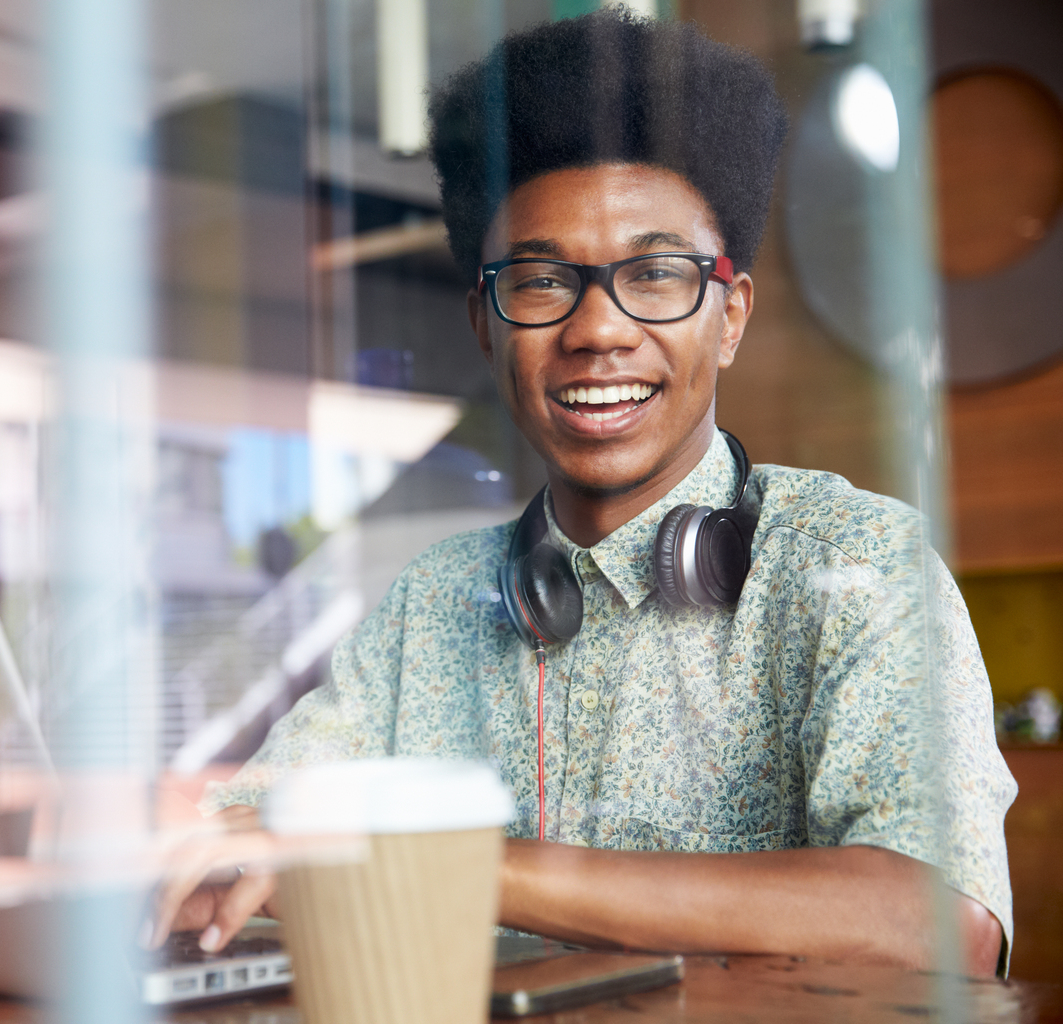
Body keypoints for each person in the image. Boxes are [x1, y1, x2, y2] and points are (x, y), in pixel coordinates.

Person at [148, 9, 1015, 976]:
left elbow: (945, 922)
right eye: (541, 279)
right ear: (486, 324)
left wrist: (464, 866)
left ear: (730, 317)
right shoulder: (435, 604)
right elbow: (248, 835)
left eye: (653, 274)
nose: (598, 329)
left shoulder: (850, 561)